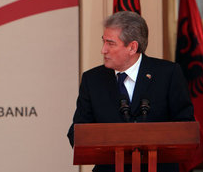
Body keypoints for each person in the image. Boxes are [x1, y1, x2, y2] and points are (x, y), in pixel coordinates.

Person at [67, 11, 194, 172]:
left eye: (110, 43)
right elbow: (77, 132)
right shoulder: (92, 80)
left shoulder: (168, 74)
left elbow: (185, 126)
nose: (103, 50)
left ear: (132, 47)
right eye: (103, 42)